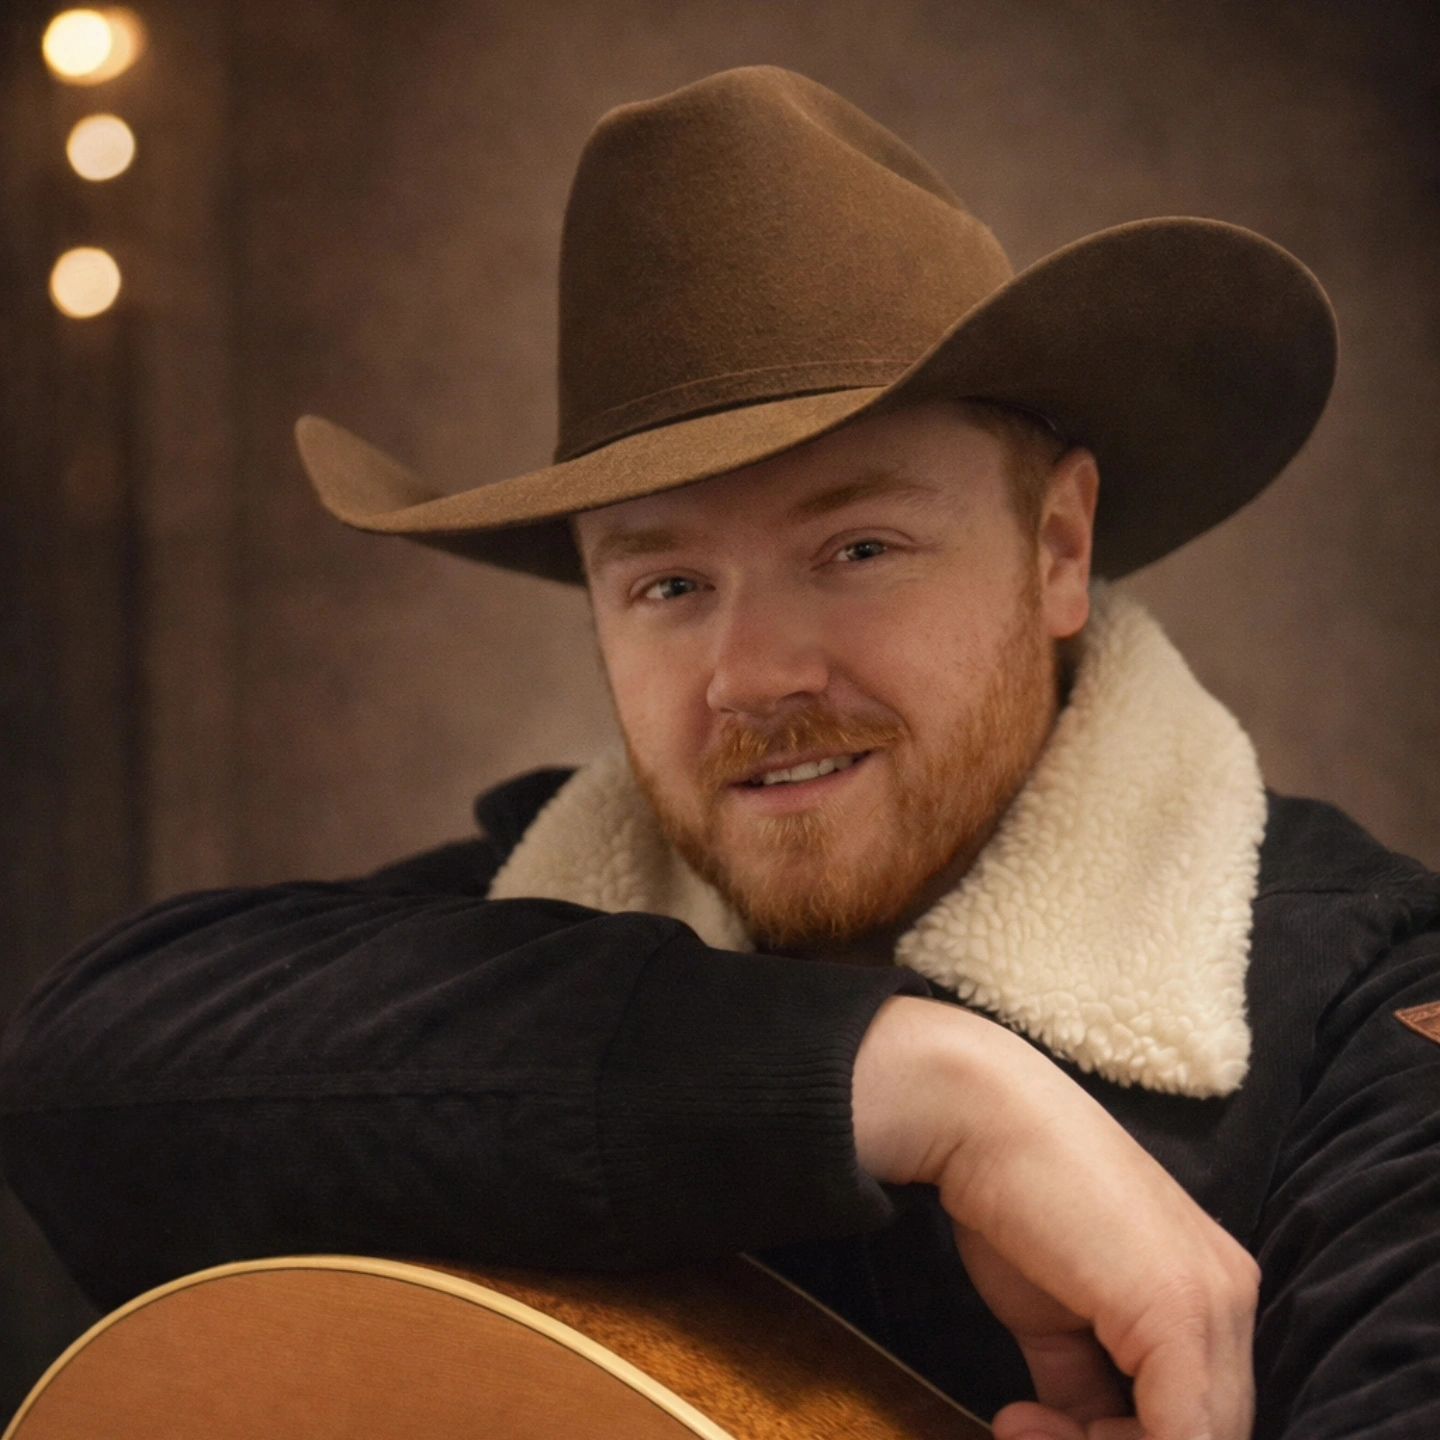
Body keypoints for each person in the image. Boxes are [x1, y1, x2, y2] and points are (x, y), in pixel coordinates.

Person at [2, 65, 1437, 1440]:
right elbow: (81, 1079)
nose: (751, 678)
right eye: (667, 586)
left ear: (1057, 550)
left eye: (858, 548)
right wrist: (913, 1081)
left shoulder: (1372, 1008)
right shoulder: (512, 926)